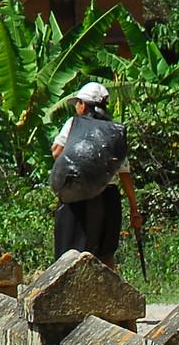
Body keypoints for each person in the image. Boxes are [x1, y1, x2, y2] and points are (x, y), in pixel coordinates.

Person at [51, 81, 142, 267]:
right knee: (106, 255)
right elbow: (124, 173)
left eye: (78, 103)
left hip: (77, 197)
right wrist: (134, 209)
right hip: (109, 198)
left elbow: (56, 152)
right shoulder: (114, 131)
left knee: (70, 256)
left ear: (83, 105)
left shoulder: (74, 124)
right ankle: (109, 293)